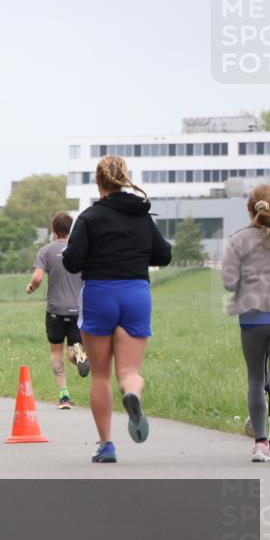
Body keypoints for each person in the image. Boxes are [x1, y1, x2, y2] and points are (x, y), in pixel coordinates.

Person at [62, 155, 172, 463]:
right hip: (136, 293)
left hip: (99, 293)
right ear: (125, 178)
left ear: (99, 183)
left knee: (99, 374)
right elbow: (163, 255)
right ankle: (132, 395)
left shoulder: (89, 218)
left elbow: (71, 261)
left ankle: (106, 444)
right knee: (129, 371)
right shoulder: (141, 215)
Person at [222, 184, 270, 462]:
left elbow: (228, 283)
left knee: (255, 379)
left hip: (252, 319)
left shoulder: (237, 240)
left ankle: (260, 445)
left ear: (249, 208)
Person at [26, 212, 91, 409]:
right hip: (77, 310)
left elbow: (37, 279)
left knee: (56, 352)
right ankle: (80, 356)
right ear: (70, 230)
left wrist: (31, 287)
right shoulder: (79, 251)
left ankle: (64, 397)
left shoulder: (45, 251)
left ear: (53, 230)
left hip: (55, 310)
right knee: (73, 349)